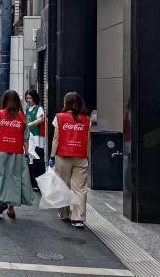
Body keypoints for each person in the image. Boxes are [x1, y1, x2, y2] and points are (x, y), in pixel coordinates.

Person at [0, 90, 33, 219]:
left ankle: (1, 202)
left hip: (0, 152)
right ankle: (11, 208)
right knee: (14, 179)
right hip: (16, 153)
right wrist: (26, 153)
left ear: (4, 100)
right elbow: (25, 138)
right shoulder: (22, 117)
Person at [48, 92, 90, 229]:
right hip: (81, 156)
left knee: (63, 185)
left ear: (66, 103)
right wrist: (87, 155)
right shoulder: (86, 119)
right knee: (80, 189)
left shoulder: (59, 117)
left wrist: (52, 157)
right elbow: (88, 139)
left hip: (63, 156)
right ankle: (78, 218)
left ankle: (64, 213)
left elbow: (56, 139)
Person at [24, 89, 46, 191]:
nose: (28, 100)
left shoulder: (38, 108)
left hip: (36, 137)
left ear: (34, 98)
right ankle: (33, 182)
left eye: (30, 98)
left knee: (38, 159)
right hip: (29, 137)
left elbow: (41, 119)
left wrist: (30, 124)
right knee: (30, 160)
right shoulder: (27, 109)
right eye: (27, 98)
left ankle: (39, 183)